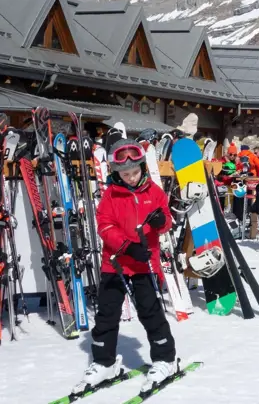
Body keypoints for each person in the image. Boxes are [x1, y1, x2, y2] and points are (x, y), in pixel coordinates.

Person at [74, 139, 177, 395]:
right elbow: (105, 226)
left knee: (150, 312)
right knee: (106, 314)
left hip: (145, 263)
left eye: (135, 172)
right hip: (116, 263)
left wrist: (163, 220)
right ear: (115, 173)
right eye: (124, 174)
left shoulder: (154, 192)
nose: (131, 178)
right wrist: (126, 247)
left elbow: (165, 220)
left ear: (142, 166)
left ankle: (166, 360)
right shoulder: (110, 195)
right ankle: (104, 362)